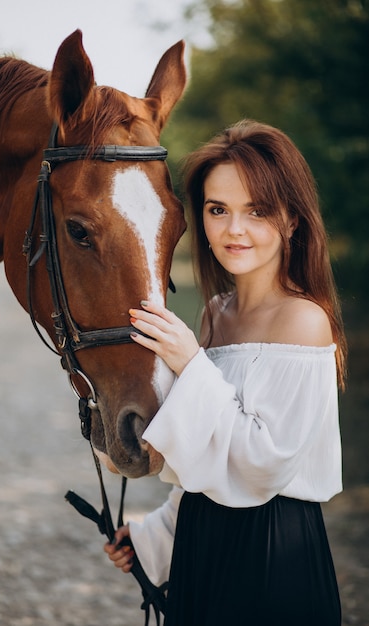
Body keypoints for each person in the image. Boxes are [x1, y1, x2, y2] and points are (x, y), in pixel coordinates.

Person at [104, 119, 346, 625]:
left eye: (256, 211)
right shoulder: (216, 313)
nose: (233, 230)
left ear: (292, 219)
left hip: (272, 552)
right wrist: (153, 536)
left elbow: (262, 465)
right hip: (201, 542)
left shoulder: (304, 320)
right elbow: (209, 457)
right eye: (218, 210)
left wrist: (191, 363)